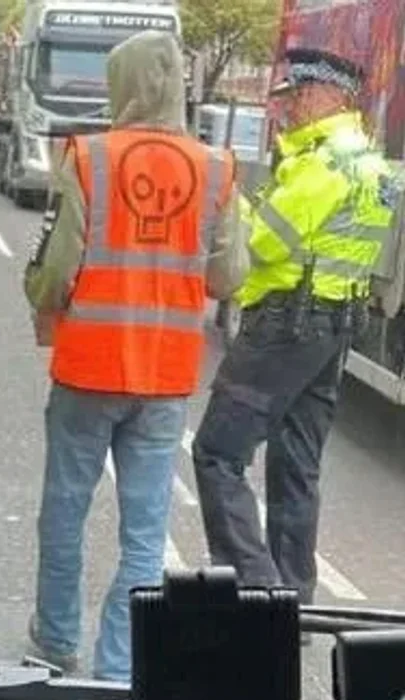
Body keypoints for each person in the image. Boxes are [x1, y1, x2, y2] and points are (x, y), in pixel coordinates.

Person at [21, 30, 246, 682]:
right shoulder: (216, 170)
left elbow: (56, 267)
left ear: (119, 85)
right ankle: (118, 668)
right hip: (165, 377)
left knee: (64, 509)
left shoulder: (87, 158)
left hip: (88, 369)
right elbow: (227, 277)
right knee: (145, 536)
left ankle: (57, 640)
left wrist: (37, 295)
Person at [191, 47, 400, 641]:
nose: (288, 109)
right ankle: (297, 602)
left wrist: (226, 225)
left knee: (216, 454)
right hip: (334, 326)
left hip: (285, 326)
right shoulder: (370, 164)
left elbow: (259, 246)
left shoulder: (321, 167)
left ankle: (261, 597)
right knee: (297, 466)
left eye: (297, 97)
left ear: (326, 95)